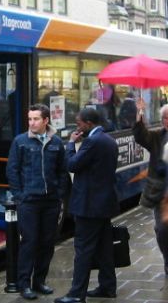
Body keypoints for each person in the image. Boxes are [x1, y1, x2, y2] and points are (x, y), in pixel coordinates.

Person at [55, 108, 119, 303]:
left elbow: (72, 165)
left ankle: (76, 294)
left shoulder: (92, 141)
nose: (77, 127)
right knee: (104, 248)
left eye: (79, 123)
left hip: (89, 206)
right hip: (104, 204)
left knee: (83, 250)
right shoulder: (109, 140)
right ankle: (108, 287)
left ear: (89, 123)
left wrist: (70, 144)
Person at [6, 103, 68, 300]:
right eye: (30, 119)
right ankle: (24, 284)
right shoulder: (20, 142)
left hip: (51, 201)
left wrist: (59, 194)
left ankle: (39, 281)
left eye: (35, 119)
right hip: (29, 202)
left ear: (45, 121)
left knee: (47, 243)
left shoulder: (56, 142)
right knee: (30, 242)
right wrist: (20, 196)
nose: (31, 123)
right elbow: (12, 170)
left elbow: (62, 171)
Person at [133, 99, 168, 275]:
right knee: (162, 230)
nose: (167, 121)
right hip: (161, 194)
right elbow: (140, 136)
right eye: (165, 118)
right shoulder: (156, 137)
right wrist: (140, 113)